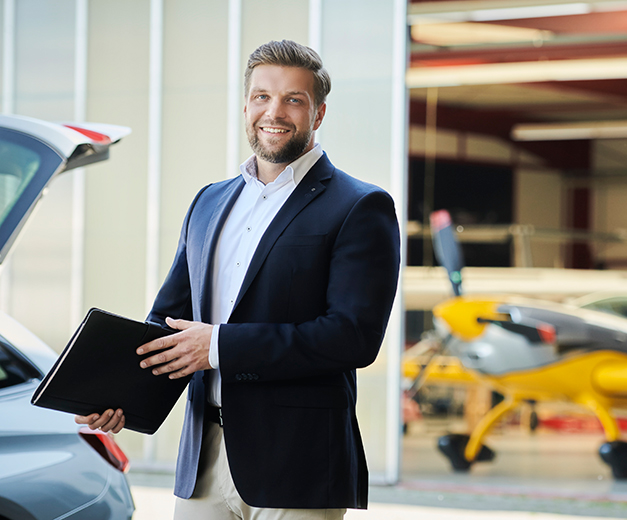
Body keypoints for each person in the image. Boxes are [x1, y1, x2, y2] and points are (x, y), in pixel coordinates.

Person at [76, 39, 401, 519]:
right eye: (262, 96)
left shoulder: (359, 206)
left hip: (299, 464)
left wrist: (219, 346)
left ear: (319, 113)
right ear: (247, 104)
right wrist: (120, 396)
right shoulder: (209, 201)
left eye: (295, 99)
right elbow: (170, 323)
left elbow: (353, 338)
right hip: (203, 456)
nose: (275, 111)